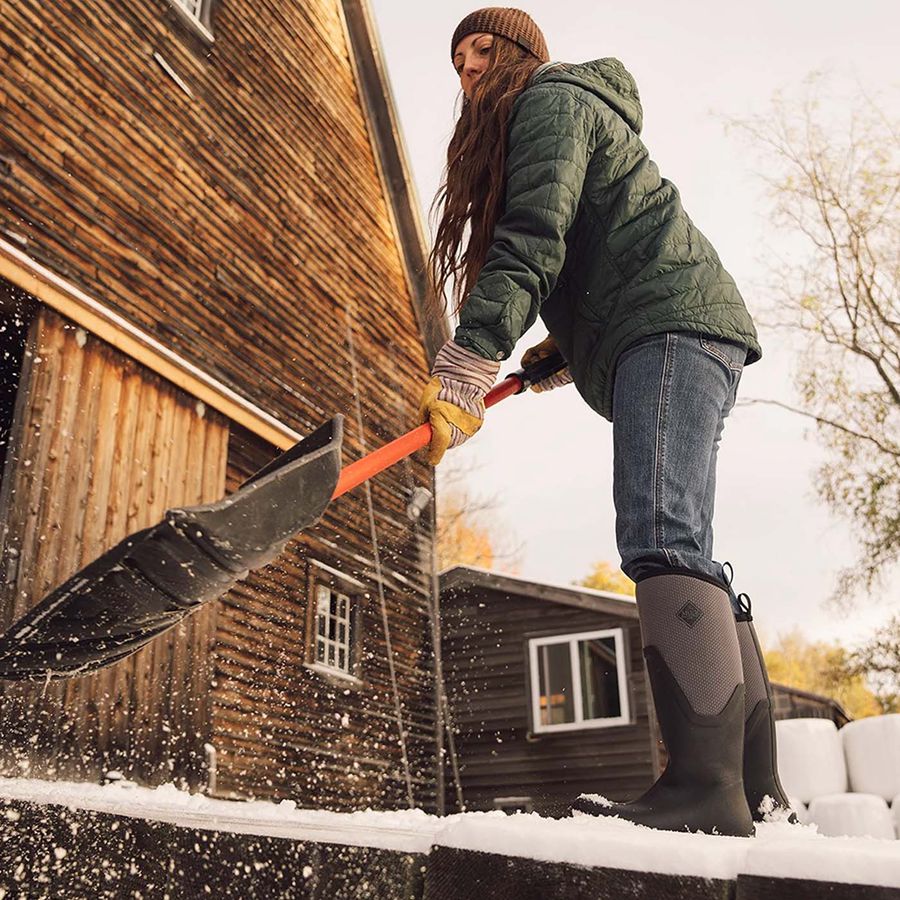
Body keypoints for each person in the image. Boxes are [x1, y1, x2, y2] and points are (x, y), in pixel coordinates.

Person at [419, 8, 795, 836]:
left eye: (481, 50)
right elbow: (596, 242)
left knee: (660, 533)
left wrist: (469, 365)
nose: (467, 70)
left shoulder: (549, 100)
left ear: (520, 54)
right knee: (685, 538)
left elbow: (532, 239)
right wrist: (565, 342)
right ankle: (757, 796)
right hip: (671, 326)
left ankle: (705, 789)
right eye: (456, 60)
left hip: (669, 326)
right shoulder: (558, 111)